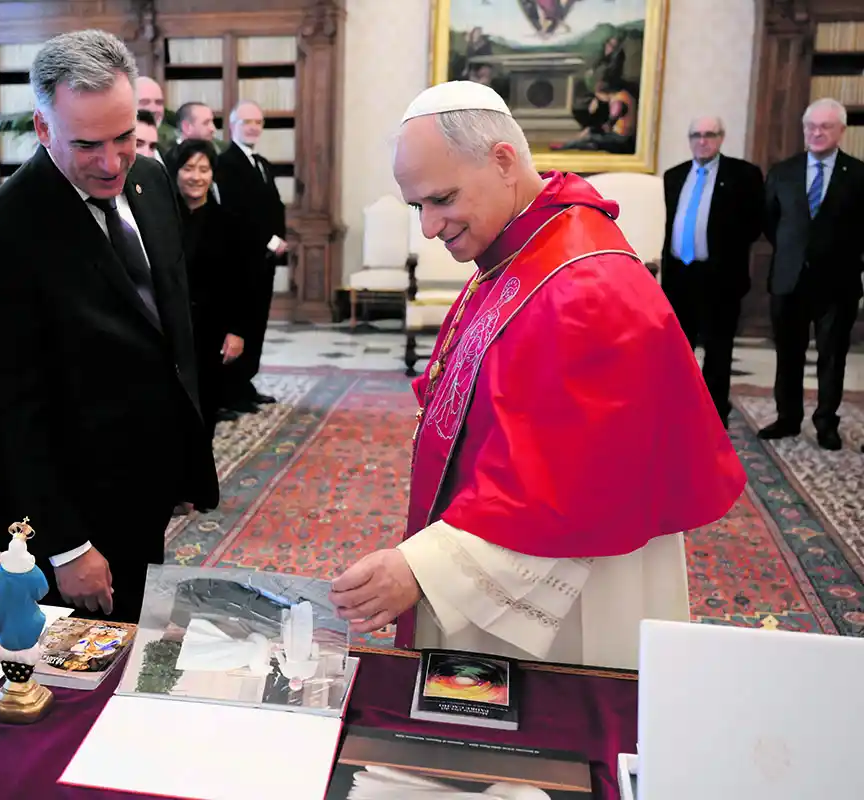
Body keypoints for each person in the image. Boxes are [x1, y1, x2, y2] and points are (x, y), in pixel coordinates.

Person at [328, 82, 745, 670]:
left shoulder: (586, 286)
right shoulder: (517, 247)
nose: (427, 227)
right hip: (491, 521)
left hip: (577, 584)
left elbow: (565, 482)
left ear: (502, 161)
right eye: (416, 205)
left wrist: (424, 570)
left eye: (441, 199)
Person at [0, 30, 218, 624]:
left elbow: (171, 327)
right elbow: (12, 409)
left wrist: (180, 458)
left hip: (147, 479)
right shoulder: (1, 232)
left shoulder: (151, 185)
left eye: (125, 136)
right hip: (72, 505)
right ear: (43, 128)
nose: (111, 162)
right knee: (69, 682)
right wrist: (66, 544)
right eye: (88, 144)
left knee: (135, 643)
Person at [759, 97, 864, 452]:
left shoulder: (859, 174)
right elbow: (772, 224)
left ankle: (826, 423)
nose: (817, 133)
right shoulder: (782, 172)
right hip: (789, 279)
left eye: (825, 127)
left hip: (838, 283)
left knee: (832, 357)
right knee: (788, 353)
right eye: (811, 127)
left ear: (841, 131)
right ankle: (787, 418)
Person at [661, 116, 765, 428]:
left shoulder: (744, 175)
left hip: (720, 278)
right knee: (678, 350)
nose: (702, 141)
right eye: (696, 135)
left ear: (721, 137)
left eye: (709, 135)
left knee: (718, 350)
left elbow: (754, 224)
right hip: (680, 276)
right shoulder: (674, 175)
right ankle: (677, 407)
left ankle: (714, 413)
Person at [166, 137, 250, 436]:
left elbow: (242, 281)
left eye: (204, 169)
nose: (196, 177)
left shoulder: (228, 222)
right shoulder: (162, 219)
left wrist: (237, 331)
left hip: (211, 330)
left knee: (205, 407)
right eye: (189, 168)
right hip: (169, 330)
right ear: (176, 172)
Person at [216, 99, 287, 412]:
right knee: (240, 323)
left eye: (258, 122)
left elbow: (275, 206)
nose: (253, 127)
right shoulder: (226, 163)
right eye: (247, 122)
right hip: (241, 258)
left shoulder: (262, 163)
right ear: (233, 125)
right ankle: (231, 389)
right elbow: (236, 214)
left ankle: (246, 382)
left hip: (265, 260)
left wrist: (280, 239)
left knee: (258, 322)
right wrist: (269, 241)